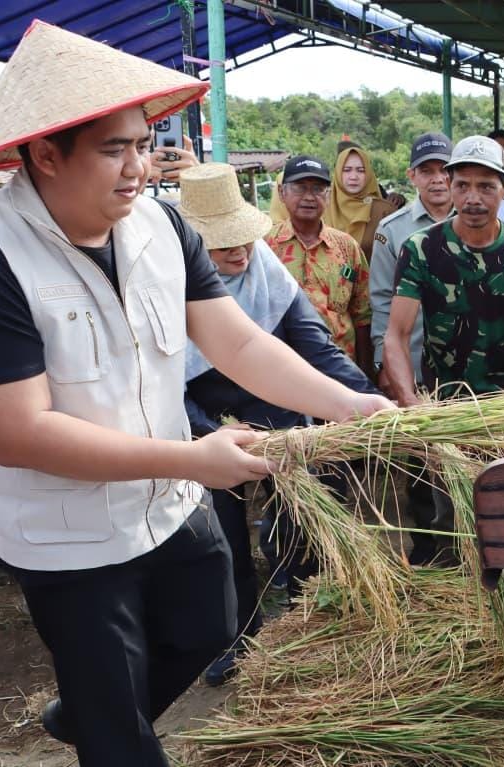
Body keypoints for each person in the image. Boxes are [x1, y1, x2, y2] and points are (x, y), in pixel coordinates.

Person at [0, 22, 392, 765]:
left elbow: (238, 342)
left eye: (144, 144)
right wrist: (190, 459)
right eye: (116, 149)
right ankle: (105, 716)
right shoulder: (2, 255)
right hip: (71, 536)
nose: (140, 167)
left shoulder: (161, 227)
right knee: (122, 736)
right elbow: (18, 429)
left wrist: (350, 403)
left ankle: (90, 706)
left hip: (170, 503)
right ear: (46, 154)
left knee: (214, 626)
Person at [177, 163, 379, 684]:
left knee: (302, 526)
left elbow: (317, 348)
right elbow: (162, 385)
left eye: (243, 239)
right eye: (220, 244)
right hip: (208, 429)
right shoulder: (166, 289)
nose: (238, 253)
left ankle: (307, 621)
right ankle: (237, 636)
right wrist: (209, 433)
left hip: (282, 419)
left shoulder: (267, 272)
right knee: (222, 542)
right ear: (190, 244)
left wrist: (368, 403)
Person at [383, 136, 504, 562]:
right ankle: (449, 587)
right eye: (463, 186)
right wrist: (412, 405)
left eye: (486, 187)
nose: (473, 198)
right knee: (445, 514)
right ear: (450, 184)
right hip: (442, 403)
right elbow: (396, 336)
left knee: (503, 511)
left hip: (500, 401)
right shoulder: (422, 249)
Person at [369, 132, 453, 565]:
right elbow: (382, 300)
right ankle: (426, 551)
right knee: (419, 461)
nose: (437, 180)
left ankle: (471, 547)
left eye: (444, 170)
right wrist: (386, 363)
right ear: (412, 176)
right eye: (427, 171)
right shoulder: (394, 231)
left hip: (464, 363)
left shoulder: (477, 219)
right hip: (414, 362)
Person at [266, 155, 374, 377]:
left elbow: (362, 315)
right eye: (299, 188)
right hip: (282, 371)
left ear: (328, 194)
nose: (309, 197)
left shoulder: (347, 247)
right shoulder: (265, 247)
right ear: (282, 193)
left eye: (317, 189)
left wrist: (365, 374)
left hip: (341, 370)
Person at [324, 145, 396, 261]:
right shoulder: (322, 206)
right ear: (337, 172)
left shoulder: (384, 211)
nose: (353, 177)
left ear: (368, 174)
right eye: (346, 170)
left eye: (361, 170)